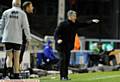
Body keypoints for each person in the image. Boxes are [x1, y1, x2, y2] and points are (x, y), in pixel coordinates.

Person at [54, 10, 99, 80]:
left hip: (68, 46)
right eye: (74, 16)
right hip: (61, 46)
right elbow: (56, 33)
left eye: (75, 15)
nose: (75, 17)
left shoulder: (75, 23)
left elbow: (84, 24)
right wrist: (58, 40)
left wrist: (92, 21)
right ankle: (62, 76)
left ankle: (65, 76)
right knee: (63, 60)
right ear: (70, 16)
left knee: (67, 61)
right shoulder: (63, 24)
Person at [1, 0, 31, 79]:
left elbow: (1, 25)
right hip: (17, 38)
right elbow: (26, 27)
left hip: (7, 37)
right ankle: (16, 75)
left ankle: (9, 73)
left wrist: (1, 36)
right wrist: (28, 38)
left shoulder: (6, 12)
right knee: (17, 56)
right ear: (20, 4)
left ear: (12, 4)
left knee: (9, 56)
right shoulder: (22, 14)